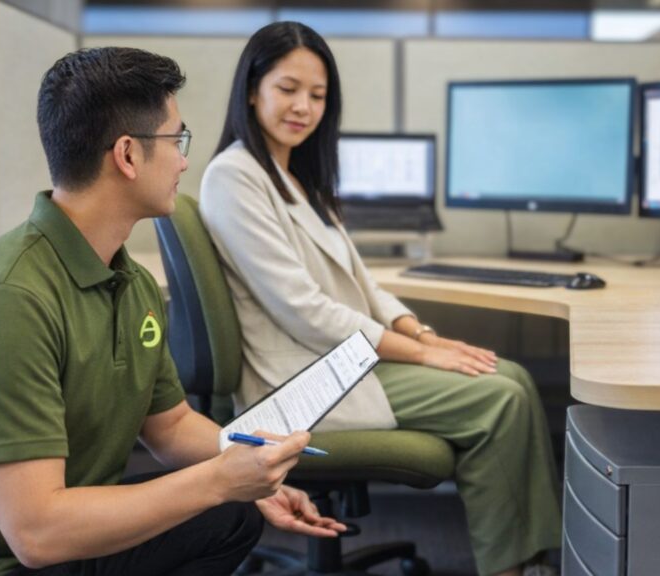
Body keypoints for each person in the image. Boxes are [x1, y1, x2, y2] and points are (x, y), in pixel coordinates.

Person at [0, 47, 345, 576]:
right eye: (176, 141)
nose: (184, 161)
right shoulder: (6, 298)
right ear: (127, 155)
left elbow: (170, 427)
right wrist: (218, 480)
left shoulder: (131, 282)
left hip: (55, 541)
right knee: (214, 499)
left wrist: (249, 465)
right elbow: (36, 533)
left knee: (230, 516)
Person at [199, 22, 563, 576]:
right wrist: (421, 355)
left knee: (510, 376)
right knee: (501, 399)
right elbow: (302, 308)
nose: (303, 107)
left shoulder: (296, 178)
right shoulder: (234, 176)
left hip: (339, 361)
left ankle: (531, 561)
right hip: (303, 380)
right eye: (288, 89)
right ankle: (512, 568)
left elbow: (363, 285)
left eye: (317, 95)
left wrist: (422, 333)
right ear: (252, 90)